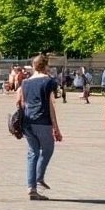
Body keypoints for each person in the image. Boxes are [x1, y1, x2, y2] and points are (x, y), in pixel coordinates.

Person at [17, 53, 62, 200]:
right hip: (42, 121)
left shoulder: (25, 82)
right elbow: (51, 105)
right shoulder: (49, 82)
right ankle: (39, 178)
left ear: (34, 66)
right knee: (48, 149)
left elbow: (22, 102)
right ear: (46, 66)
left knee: (32, 153)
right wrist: (56, 127)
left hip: (27, 121)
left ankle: (32, 188)